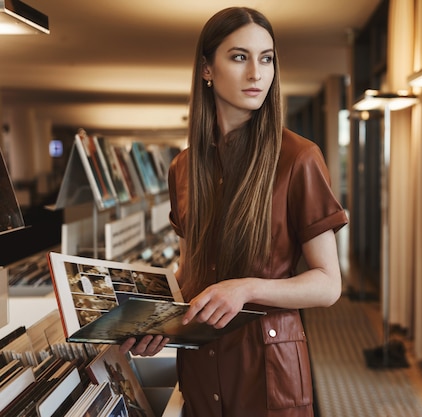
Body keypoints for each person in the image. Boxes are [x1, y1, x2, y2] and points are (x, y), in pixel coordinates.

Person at [120, 6, 348, 417]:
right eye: (239, 57)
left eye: (266, 59)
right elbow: (191, 273)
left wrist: (246, 287)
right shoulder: (183, 168)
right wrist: (155, 322)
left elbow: (328, 284)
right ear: (207, 69)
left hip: (269, 366)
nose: (256, 74)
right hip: (201, 358)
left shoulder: (298, 158)